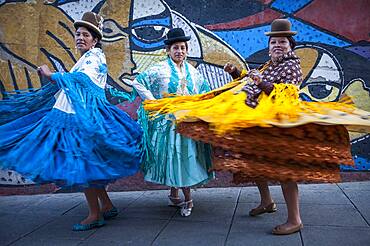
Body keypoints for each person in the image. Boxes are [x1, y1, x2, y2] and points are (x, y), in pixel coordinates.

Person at [0, 12, 143, 231]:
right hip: (80, 116)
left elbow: (82, 81)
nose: (80, 38)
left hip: (82, 119)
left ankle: (95, 215)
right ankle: (106, 205)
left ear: (95, 40)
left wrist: (52, 75)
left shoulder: (95, 57)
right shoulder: (87, 58)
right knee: (89, 163)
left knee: (82, 164)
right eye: (77, 34)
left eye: (85, 35)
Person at [223, 19, 303, 235]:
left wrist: (260, 82)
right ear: (268, 48)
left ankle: (295, 219)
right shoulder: (271, 65)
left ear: (290, 46)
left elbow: (284, 94)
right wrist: (236, 72)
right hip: (260, 124)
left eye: (282, 42)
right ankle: (267, 202)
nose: (277, 45)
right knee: (256, 164)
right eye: (273, 42)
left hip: (281, 127)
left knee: (285, 172)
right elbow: (251, 82)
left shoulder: (292, 65)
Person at [130, 28, 214, 217]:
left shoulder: (193, 72)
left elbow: (205, 93)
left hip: (187, 124)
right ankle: (176, 195)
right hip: (168, 125)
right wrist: (153, 102)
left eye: (183, 47)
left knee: (183, 158)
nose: (180, 51)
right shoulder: (158, 69)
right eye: (176, 47)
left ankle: (186, 198)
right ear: (168, 50)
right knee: (174, 159)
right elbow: (137, 82)